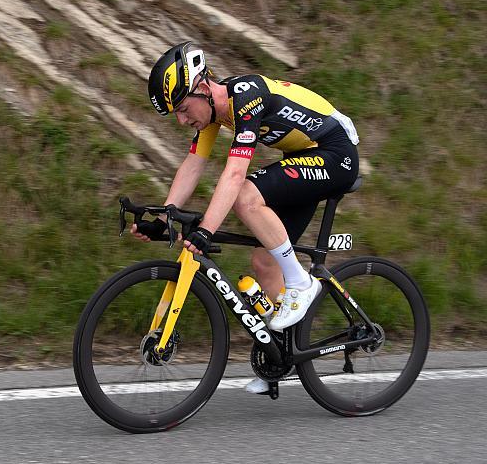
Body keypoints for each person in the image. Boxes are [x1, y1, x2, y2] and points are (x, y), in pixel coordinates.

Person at [132, 41, 360, 393]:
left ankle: (301, 284)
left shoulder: (246, 95)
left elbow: (236, 174)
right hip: (307, 157)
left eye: (181, 108)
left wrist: (206, 230)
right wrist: (164, 218)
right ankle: (282, 357)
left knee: (244, 195)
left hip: (335, 153)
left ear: (203, 88)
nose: (181, 120)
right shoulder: (212, 114)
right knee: (265, 261)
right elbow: (194, 165)